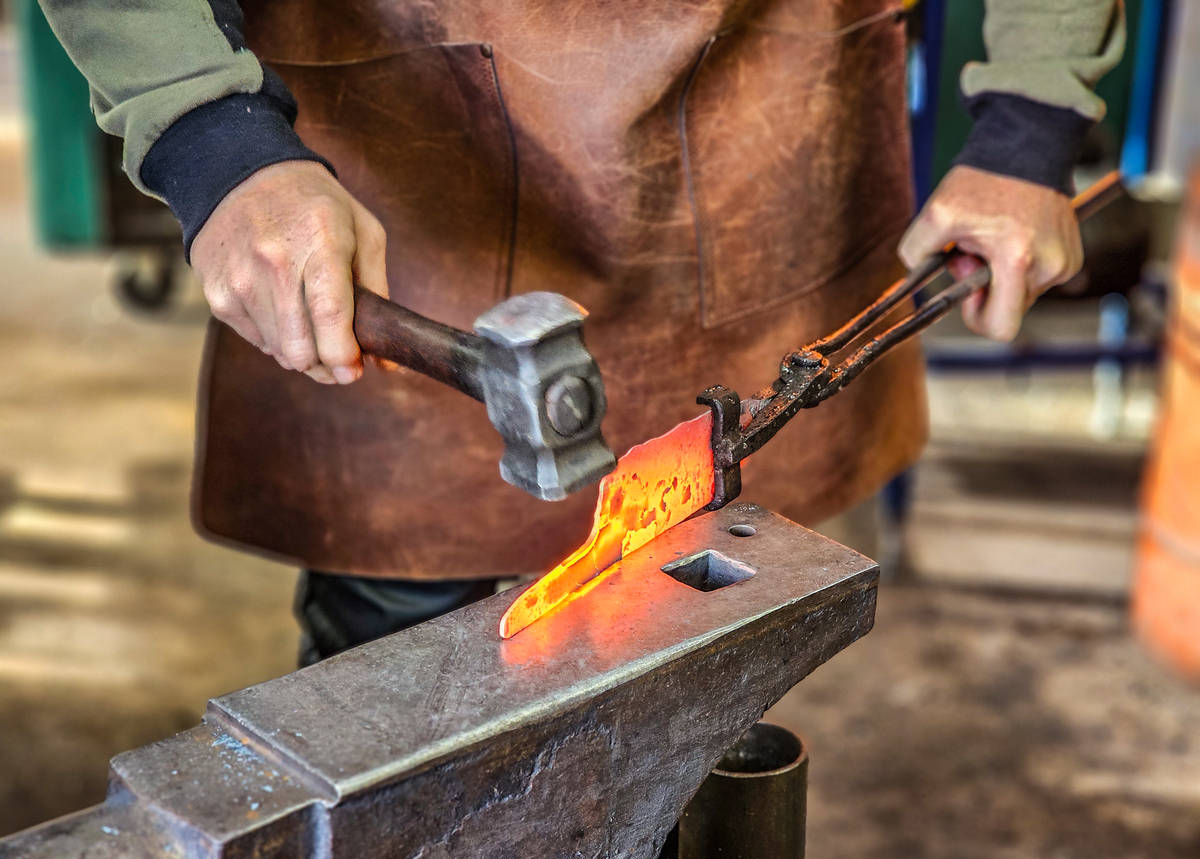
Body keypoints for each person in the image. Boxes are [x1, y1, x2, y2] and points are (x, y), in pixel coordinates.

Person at [40, 0, 1123, 662]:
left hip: (774, 137)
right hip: (391, 166)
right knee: (398, 708)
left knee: (705, 671)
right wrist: (205, 129)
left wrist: (1032, 116)